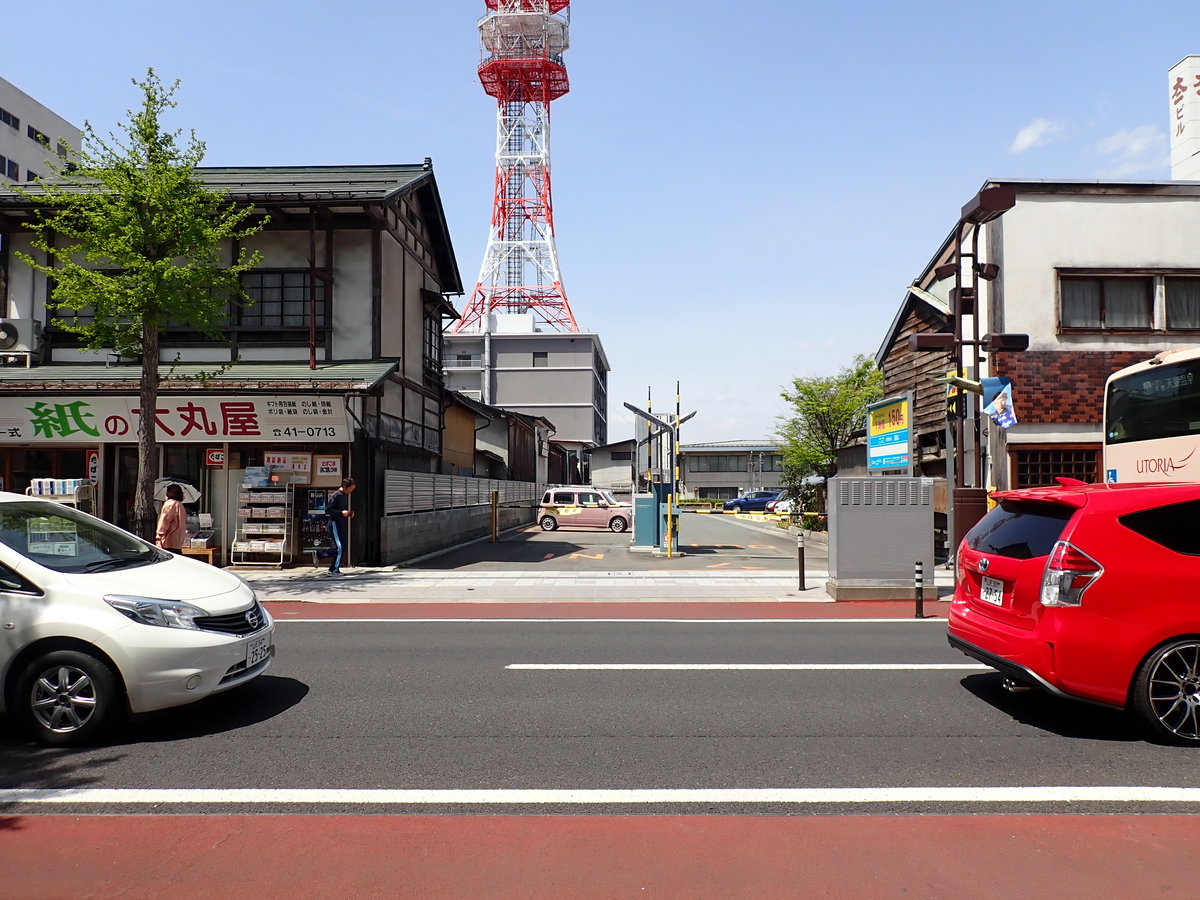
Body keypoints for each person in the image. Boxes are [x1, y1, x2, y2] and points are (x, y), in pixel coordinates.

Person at [325, 477, 356, 574]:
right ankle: (333, 569)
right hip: (334, 522)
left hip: (340, 522)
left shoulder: (344, 495)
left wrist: (348, 514)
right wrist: (341, 513)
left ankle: (320, 554)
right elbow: (328, 510)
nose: (351, 491)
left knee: (343, 546)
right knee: (340, 547)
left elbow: (341, 511)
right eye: (350, 488)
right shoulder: (336, 495)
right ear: (345, 486)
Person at [155, 484, 188, 554]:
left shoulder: (170, 504)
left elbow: (164, 522)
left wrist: (158, 538)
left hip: (168, 541)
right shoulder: (180, 505)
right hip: (177, 543)